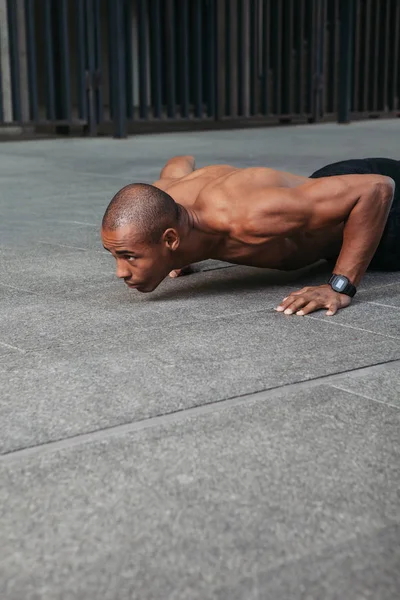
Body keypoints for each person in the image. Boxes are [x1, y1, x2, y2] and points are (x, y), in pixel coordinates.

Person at [101, 156, 398, 316]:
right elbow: (180, 161)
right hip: (326, 190)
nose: (120, 272)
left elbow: (376, 188)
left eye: (129, 256)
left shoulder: (249, 216)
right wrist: (174, 257)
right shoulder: (168, 203)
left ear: (170, 238)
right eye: (115, 255)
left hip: (384, 221)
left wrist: (340, 287)